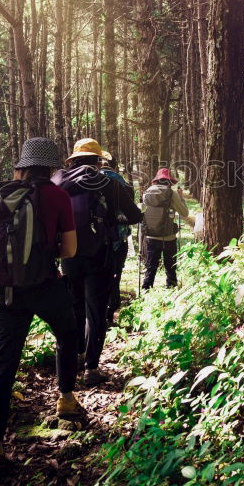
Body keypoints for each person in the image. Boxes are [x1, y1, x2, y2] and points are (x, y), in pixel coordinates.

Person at [0, 137, 82, 475]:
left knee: (3, 365)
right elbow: (69, 251)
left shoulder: (0, 193)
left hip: (4, 291)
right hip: (43, 285)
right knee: (68, 334)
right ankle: (66, 398)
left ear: (22, 166)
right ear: (52, 166)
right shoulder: (57, 195)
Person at [54, 138, 142, 387]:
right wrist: (115, 219)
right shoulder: (107, 182)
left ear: (73, 159)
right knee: (96, 311)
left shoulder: (62, 184)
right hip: (100, 255)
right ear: (97, 160)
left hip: (68, 256)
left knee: (75, 307)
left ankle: (76, 355)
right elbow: (134, 215)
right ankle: (91, 368)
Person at [141, 167, 189, 291]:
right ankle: (171, 291)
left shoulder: (146, 192)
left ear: (156, 181)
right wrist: (181, 198)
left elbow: (141, 212)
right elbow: (185, 213)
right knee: (170, 267)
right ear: (168, 182)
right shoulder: (171, 193)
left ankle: (146, 291)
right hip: (168, 237)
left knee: (150, 267)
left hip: (150, 236)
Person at [100, 151, 133, 324]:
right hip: (119, 238)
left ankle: (92, 319)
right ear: (114, 166)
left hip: (96, 238)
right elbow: (132, 214)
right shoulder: (122, 183)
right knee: (115, 274)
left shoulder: (88, 181)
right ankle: (110, 313)